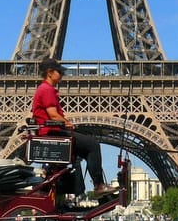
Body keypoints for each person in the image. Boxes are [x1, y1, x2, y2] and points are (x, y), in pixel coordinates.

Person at [32, 57, 117, 197]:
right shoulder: (47, 89)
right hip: (53, 133)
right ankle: (99, 185)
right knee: (93, 145)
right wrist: (67, 123)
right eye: (59, 72)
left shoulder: (44, 88)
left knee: (86, 146)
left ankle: (93, 186)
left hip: (51, 132)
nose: (62, 75)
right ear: (49, 72)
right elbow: (53, 115)